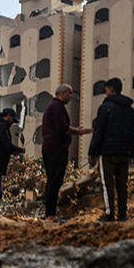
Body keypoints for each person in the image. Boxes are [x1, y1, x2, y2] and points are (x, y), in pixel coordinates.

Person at [88, 79, 134, 222]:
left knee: (107, 184)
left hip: (108, 152)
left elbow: (99, 131)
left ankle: (110, 214)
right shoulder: (130, 110)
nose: (105, 93)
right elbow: (132, 132)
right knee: (123, 184)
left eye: (106, 90)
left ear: (111, 90)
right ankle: (123, 214)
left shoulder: (105, 108)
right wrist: (131, 152)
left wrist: (92, 152)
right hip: (125, 151)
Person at [40, 84, 88, 221]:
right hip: (56, 149)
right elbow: (62, 128)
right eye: (70, 93)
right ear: (62, 92)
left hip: (51, 148)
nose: (71, 96)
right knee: (55, 181)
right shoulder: (56, 107)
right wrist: (79, 132)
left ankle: (50, 213)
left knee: (52, 181)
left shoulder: (52, 106)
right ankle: (50, 214)